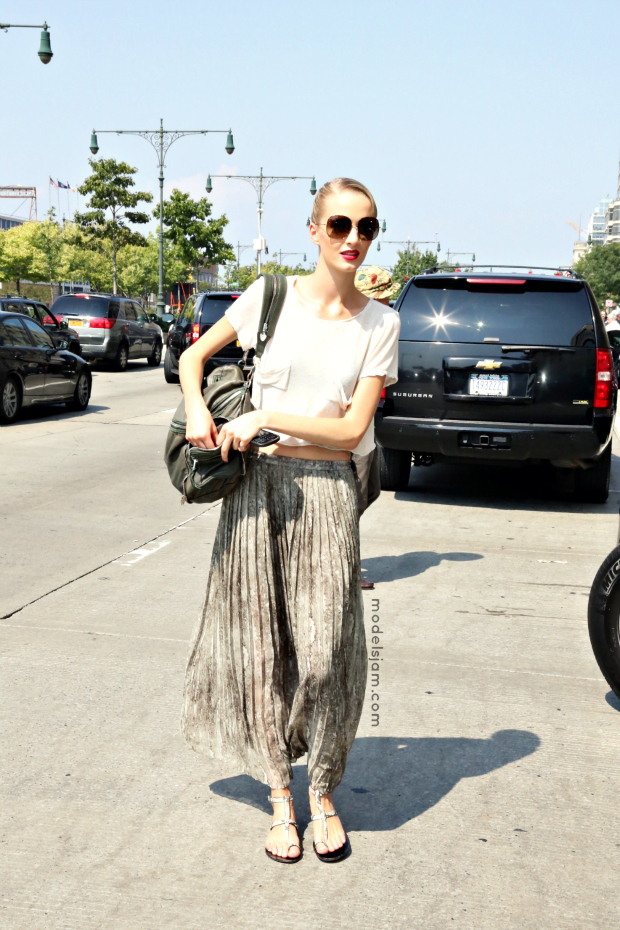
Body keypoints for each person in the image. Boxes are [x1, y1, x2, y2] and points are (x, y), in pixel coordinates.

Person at [178, 178, 400, 864]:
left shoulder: (381, 324)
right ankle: (282, 793)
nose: (353, 239)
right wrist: (198, 408)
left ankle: (323, 786)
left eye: (366, 227)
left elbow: (352, 430)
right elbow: (193, 357)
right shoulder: (269, 296)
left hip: (329, 493)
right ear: (313, 230)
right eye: (339, 225)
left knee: (327, 651)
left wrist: (267, 415)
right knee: (261, 649)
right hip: (256, 490)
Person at [353, 266, 401, 588]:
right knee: (352, 501)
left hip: (362, 430)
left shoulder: (373, 324)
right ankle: (346, 569)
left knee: (369, 492)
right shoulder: (381, 325)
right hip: (351, 433)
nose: (388, 301)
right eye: (384, 296)